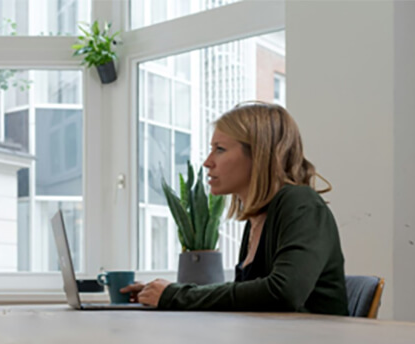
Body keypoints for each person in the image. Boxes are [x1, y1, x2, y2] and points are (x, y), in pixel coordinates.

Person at [121, 102, 349, 315]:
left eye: (219, 149)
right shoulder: (258, 219)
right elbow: (248, 297)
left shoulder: (301, 204)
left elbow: (282, 293)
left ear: (259, 155)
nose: (207, 162)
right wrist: (163, 292)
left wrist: (176, 295)